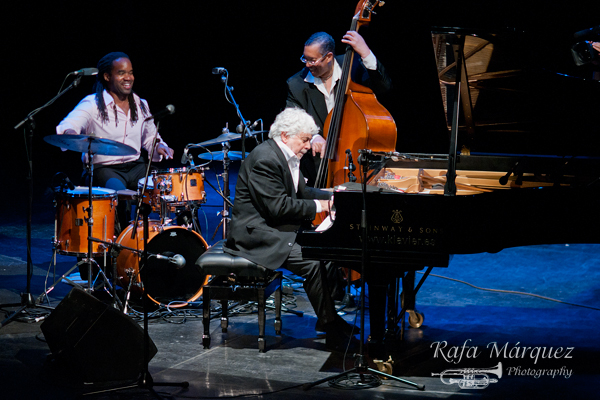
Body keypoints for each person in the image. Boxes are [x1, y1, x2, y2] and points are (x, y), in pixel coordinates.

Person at [224, 108, 356, 349]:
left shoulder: (286, 155)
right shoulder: (265, 159)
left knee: (327, 255)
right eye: (304, 139)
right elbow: (279, 207)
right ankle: (330, 325)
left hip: (278, 228)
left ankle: (328, 319)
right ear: (285, 136)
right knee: (313, 263)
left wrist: (335, 196)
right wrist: (322, 205)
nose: (308, 145)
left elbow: (301, 193)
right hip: (258, 235)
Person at [56, 51, 174, 232]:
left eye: (131, 72)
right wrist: (73, 133)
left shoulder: (140, 104)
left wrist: (159, 146)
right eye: (121, 73)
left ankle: (157, 237)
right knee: (122, 197)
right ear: (107, 76)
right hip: (105, 168)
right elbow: (67, 127)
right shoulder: (92, 104)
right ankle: (122, 247)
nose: (129, 77)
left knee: (165, 188)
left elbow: (150, 138)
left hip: (136, 167)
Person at [286, 31, 392, 186]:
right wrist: (313, 136)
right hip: (318, 168)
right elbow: (292, 119)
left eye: (312, 60)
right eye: (305, 59)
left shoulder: (353, 67)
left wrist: (365, 52)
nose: (307, 65)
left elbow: (384, 87)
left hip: (356, 163)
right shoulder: (296, 84)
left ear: (329, 57)